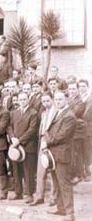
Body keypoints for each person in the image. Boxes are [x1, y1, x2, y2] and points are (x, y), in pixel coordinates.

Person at [43, 91, 76, 220]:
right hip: (54, 154)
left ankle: (70, 213)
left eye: (60, 99)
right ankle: (61, 209)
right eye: (56, 99)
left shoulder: (69, 116)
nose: (57, 101)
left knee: (65, 184)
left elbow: (62, 135)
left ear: (66, 99)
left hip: (62, 155)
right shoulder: (59, 112)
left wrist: (47, 141)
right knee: (57, 183)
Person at [6, 92, 38, 203]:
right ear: (18, 100)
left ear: (28, 100)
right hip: (15, 146)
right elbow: (9, 126)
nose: (22, 101)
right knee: (16, 169)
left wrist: (19, 140)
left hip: (28, 147)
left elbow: (32, 130)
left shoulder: (33, 113)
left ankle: (29, 194)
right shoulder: (14, 113)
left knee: (28, 171)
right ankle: (18, 192)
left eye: (24, 99)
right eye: (20, 99)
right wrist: (12, 138)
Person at [31, 91, 58, 206]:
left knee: (53, 172)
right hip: (42, 143)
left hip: (52, 144)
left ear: (52, 99)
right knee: (40, 171)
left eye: (47, 100)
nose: (45, 103)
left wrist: (49, 141)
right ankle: (39, 196)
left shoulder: (57, 112)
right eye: (43, 101)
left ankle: (54, 198)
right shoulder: (43, 113)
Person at [67, 80, 86, 184]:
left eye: (74, 88)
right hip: (70, 132)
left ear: (77, 89)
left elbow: (73, 114)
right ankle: (74, 174)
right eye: (70, 89)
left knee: (77, 153)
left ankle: (79, 175)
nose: (72, 91)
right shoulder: (68, 100)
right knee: (72, 153)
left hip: (77, 132)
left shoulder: (80, 102)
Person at [80, 79, 92, 181]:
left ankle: (88, 172)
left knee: (87, 150)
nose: (82, 88)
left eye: (83, 86)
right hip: (79, 129)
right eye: (80, 86)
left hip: (88, 128)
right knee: (79, 151)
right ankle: (81, 172)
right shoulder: (79, 99)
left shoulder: (90, 98)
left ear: (87, 87)